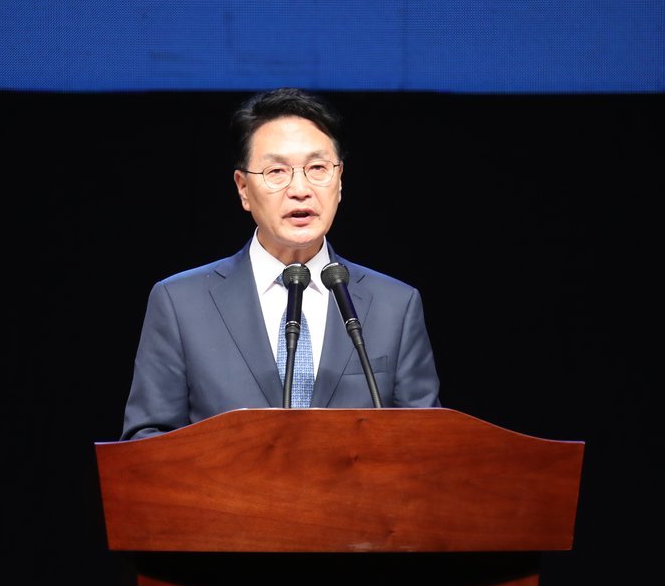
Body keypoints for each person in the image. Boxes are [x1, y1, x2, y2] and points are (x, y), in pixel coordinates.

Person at [120, 87, 440, 440]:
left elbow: (427, 445)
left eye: (317, 168)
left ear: (340, 181)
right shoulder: (180, 304)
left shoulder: (396, 306)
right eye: (277, 171)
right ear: (243, 188)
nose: (300, 189)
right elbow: (146, 444)